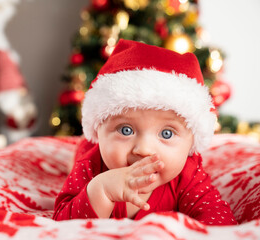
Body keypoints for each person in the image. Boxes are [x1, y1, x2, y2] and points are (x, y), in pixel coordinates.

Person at [53, 39, 237, 225]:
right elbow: (63, 223)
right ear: (98, 128)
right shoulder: (89, 167)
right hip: (91, 151)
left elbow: (217, 216)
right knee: (82, 153)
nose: (144, 149)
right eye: (126, 130)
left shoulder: (188, 173)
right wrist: (101, 190)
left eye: (167, 133)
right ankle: (85, 143)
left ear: (191, 142)